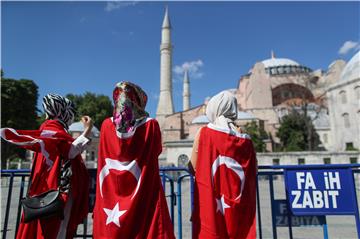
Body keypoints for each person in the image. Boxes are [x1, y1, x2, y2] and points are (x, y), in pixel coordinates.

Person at [0, 93, 92, 239]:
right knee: (56, 229)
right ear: (62, 112)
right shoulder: (53, 130)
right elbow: (70, 151)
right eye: (70, 112)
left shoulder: (48, 130)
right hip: (58, 189)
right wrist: (87, 130)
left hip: (49, 188)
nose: (72, 117)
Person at [93, 82, 175, 238]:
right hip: (144, 197)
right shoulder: (151, 126)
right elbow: (157, 151)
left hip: (109, 199)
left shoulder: (105, 125)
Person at [190, 90, 257, 239]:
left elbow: (192, 166)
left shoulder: (205, 133)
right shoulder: (246, 140)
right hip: (240, 205)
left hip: (211, 203)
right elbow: (254, 169)